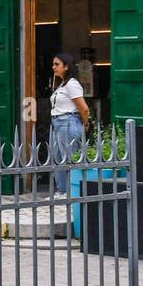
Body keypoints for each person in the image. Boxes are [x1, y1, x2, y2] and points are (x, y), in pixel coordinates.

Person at [49, 52, 89, 194]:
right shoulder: (62, 85)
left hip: (68, 122)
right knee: (58, 158)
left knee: (70, 159)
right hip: (57, 123)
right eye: (53, 64)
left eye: (57, 64)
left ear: (66, 66)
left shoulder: (72, 84)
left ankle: (74, 192)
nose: (53, 67)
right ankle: (62, 191)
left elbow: (84, 108)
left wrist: (85, 125)